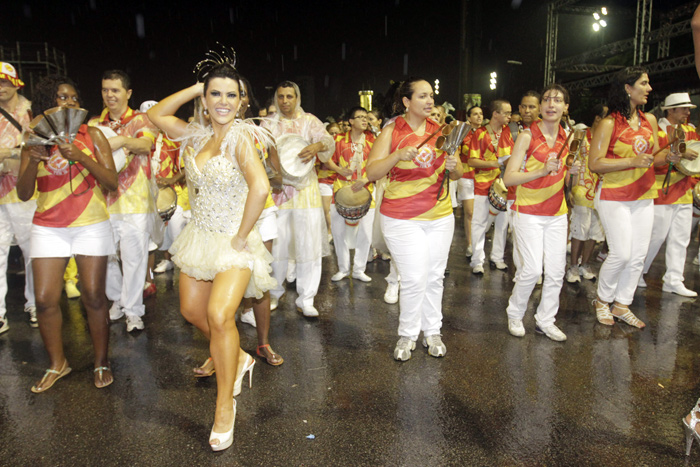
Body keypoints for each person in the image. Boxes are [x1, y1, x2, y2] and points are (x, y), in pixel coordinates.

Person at [148, 62, 274, 451]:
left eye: (230, 94)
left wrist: (241, 236)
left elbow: (260, 187)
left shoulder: (241, 138)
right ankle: (237, 356)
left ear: (242, 101)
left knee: (220, 315)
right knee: (191, 312)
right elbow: (154, 115)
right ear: (205, 99)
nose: (222, 101)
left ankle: (224, 406)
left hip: (233, 242)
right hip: (199, 237)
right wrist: (197, 85)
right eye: (214, 93)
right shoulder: (195, 135)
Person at [17, 75, 118, 392]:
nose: (71, 103)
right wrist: (33, 162)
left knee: (92, 295)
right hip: (48, 226)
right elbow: (22, 193)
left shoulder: (94, 135)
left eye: (74, 97)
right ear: (49, 103)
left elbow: (112, 183)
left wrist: (82, 156)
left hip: (91, 223)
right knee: (46, 299)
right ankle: (57, 364)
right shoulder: (35, 138)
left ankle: (101, 361)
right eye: (63, 97)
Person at [367, 78, 463, 361]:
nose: (430, 101)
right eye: (423, 96)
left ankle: (433, 330)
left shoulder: (444, 131)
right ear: (407, 102)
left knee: (435, 276)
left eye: (431, 95)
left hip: (440, 215)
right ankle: (408, 334)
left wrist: (455, 167)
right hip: (401, 217)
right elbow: (372, 172)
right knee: (413, 278)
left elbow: (456, 173)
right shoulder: (391, 131)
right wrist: (396, 155)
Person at [589, 67, 677, 328]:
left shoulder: (649, 120)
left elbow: (652, 158)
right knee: (621, 254)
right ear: (628, 88)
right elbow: (595, 164)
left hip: (644, 195)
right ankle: (602, 300)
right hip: (614, 196)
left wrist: (667, 157)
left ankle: (622, 304)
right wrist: (632, 161)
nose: (649, 89)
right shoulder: (608, 123)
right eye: (643, 83)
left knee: (638, 255)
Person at [503, 84, 579, 341]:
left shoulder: (568, 138)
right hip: (529, 212)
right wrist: (541, 170)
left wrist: (574, 174)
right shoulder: (527, 136)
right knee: (533, 270)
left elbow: (567, 181)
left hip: (557, 213)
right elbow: (509, 177)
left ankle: (546, 320)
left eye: (558, 100)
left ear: (565, 107)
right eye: (547, 99)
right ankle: (515, 313)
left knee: (556, 271)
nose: (551, 104)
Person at [88, 70, 159, 332]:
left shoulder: (141, 120)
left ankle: (133, 311)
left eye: (115, 90)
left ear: (128, 93)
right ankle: (117, 299)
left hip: (134, 201)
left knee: (133, 257)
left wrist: (120, 140)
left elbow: (145, 146)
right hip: (102, 201)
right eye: (106, 90)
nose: (110, 95)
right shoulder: (95, 123)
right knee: (105, 256)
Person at [261, 81, 334, 317]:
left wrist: (316, 146)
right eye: (280, 96)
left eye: (289, 96)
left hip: (306, 192)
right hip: (278, 191)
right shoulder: (268, 124)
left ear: (297, 98)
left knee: (308, 243)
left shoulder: (310, 121)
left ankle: (307, 298)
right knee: (278, 244)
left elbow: (328, 142)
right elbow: (258, 153)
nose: (285, 101)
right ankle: (274, 293)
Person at [235, 76, 284, 366]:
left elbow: (277, 177)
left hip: (262, 212)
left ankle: (263, 344)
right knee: (225, 280)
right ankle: (222, 351)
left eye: (239, 94)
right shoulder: (209, 135)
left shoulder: (262, 135)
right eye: (222, 93)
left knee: (260, 276)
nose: (231, 100)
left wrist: (265, 175)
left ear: (247, 100)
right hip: (225, 217)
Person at [638, 92, 699, 297]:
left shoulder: (690, 130)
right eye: (683, 109)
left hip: (684, 191)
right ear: (671, 110)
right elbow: (654, 158)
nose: (687, 112)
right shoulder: (658, 131)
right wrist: (679, 155)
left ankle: (674, 280)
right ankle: (637, 272)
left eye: (688, 109)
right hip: (661, 192)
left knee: (681, 239)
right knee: (655, 236)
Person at [0, 61, 37, 332]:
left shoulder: (29, 111)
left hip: (23, 192)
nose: (1, 87)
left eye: (5, 82)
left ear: (15, 83)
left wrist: (9, 153)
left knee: (31, 251)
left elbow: (36, 146)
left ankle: (36, 303)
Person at [327, 106, 374, 282]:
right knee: (338, 233)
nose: (365, 120)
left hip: (365, 190)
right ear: (351, 121)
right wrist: (339, 169)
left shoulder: (372, 142)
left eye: (366, 117)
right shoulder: (338, 140)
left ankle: (359, 269)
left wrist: (367, 179)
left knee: (366, 233)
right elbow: (325, 158)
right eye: (360, 117)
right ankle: (343, 268)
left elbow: (379, 165)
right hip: (340, 190)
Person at [468, 99, 512, 274]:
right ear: (496, 114)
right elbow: (472, 161)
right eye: (506, 113)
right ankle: (477, 260)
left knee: (502, 223)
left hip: (505, 185)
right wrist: (496, 163)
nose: (509, 116)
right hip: (483, 185)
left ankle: (497, 257)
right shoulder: (480, 133)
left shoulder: (508, 133)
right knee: (479, 223)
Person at [566, 104, 607, 283]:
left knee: (595, 231)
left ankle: (585, 264)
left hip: (601, 189)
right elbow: (569, 161)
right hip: (582, 189)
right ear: (597, 118)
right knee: (580, 229)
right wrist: (569, 190)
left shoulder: (608, 138)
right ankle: (573, 266)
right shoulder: (581, 136)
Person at [458, 105, 483, 258]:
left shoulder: (486, 134)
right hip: (466, 176)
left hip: (482, 177)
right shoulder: (463, 134)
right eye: (475, 114)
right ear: (469, 117)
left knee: (480, 214)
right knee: (470, 213)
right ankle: (469, 244)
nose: (479, 117)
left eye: (481, 114)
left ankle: (479, 245)